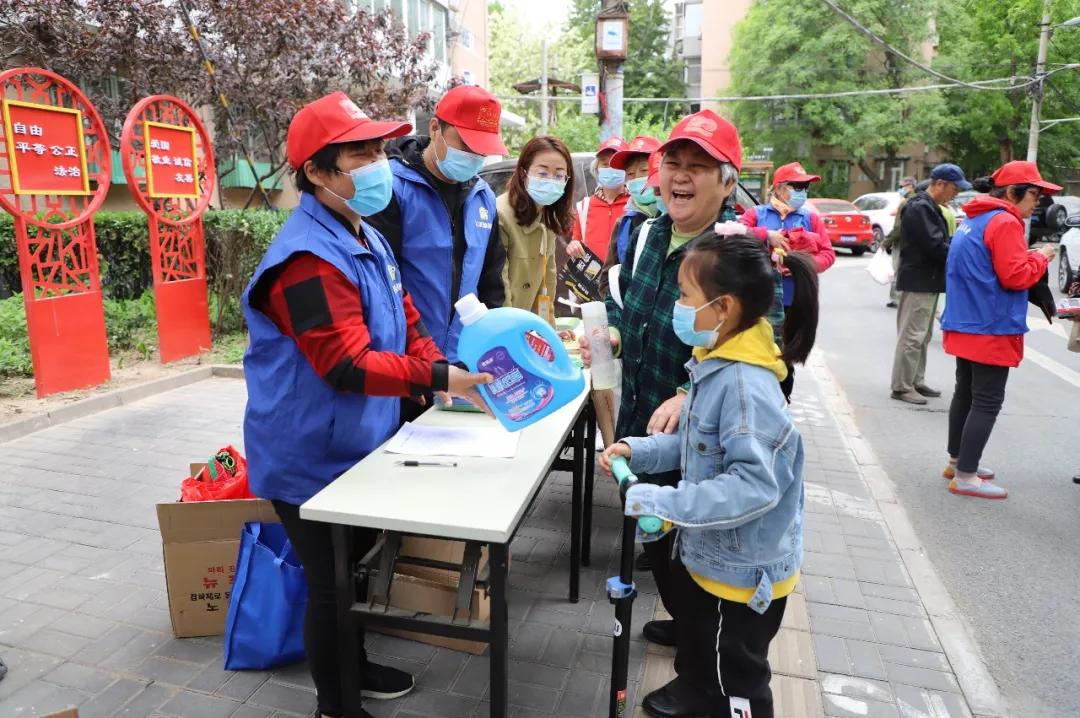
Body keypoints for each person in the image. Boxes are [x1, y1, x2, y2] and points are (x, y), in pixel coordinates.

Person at [241, 92, 492, 718]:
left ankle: (355, 669)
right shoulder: (305, 260)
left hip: (357, 443)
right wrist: (439, 376)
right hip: (309, 452)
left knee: (351, 570)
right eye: (362, 154)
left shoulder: (363, 235)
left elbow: (407, 320)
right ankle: (336, 703)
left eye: (380, 149)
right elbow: (345, 365)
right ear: (319, 173)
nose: (380, 162)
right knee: (329, 585)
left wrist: (441, 371)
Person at [601, 232, 818, 718]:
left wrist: (661, 502)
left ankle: (717, 698)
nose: (678, 304)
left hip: (739, 577)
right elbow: (693, 440)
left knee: (738, 680)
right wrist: (638, 450)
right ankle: (697, 688)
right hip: (712, 557)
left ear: (721, 309)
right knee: (701, 643)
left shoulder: (745, 387)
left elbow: (753, 486)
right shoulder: (715, 363)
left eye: (684, 295)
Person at [579, 109, 745, 653]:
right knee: (654, 533)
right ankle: (687, 626)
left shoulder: (737, 256)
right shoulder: (649, 233)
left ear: (727, 182)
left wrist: (688, 391)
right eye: (673, 161)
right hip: (642, 423)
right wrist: (615, 337)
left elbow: (764, 357)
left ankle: (703, 670)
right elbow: (627, 309)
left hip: (698, 441)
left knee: (695, 553)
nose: (680, 175)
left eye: (699, 165)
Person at [367, 85, 508, 372]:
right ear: (435, 128)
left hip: (464, 359)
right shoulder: (392, 188)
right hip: (405, 361)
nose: (474, 155)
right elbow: (382, 284)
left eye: (482, 149)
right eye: (466, 144)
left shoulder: (483, 197)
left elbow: (490, 283)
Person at [940, 161, 1059, 499]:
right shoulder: (1005, 221)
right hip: (989, 325)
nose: (1038, 202)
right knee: (987, 400)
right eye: (1034, 194)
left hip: (965, 320)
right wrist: (1043, 256)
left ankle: (958, 461)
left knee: (965, 393)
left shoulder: (974, 218)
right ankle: (965, 475)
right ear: (1011, 192)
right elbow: (1016, 276)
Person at [890, 163, 971, 405]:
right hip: (919, 280)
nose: (956, 193)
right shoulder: (919, 207)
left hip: (929, 280)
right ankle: (902, 386)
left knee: (923, 334)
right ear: (940, 184)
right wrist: (961, 251)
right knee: (912, 336)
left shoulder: (930, 207)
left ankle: (915, 379)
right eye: (954, 188)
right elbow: (935, 245)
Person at [497, 136, 575, 325]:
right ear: (524, 174)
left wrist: (547, 331)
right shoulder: (501, 214)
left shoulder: (546, 218)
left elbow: (546, 283)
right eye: (542, 172)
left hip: (525, 327)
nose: (551, 180)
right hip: (503, 327)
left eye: (559, 175)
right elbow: (499, 286)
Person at [739, 161, 837, 278]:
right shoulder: (756, 213)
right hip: (760, 288)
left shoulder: (811, 218)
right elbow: (736, 235)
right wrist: (766, 235)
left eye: (806, 186)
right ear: (778, 189)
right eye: (798, 187)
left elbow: (828, 254)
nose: (803, 192)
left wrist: (804, 265)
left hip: (799, 290)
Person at [569, 136, 630, 261]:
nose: (610, 168)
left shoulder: (636, 205)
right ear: (597, 168)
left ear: (627, 169)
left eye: (616, 164)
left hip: (624, 278)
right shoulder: (583, 207)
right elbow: (576, 242)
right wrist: (573, 246)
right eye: (605, 163)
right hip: (592, 278)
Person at [884, 176, 917, 308]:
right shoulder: (922, 200)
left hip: (902, 242)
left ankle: (896, 299)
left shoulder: (905, 202)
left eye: (902, 186)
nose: (900, 189)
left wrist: (886, 242)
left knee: (896, 270)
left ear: (909, 186)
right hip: (916, 243)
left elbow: (898, 227)